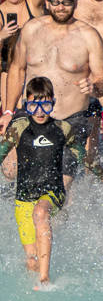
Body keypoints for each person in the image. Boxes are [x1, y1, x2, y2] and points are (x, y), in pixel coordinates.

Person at [6, 0, 103, 167]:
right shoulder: (31, 30)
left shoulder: (89, 36)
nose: (60, 7)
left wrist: (94, 86)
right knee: (10, 168)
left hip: (70, 119)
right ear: (47, 2)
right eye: (55, 2)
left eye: (66, 3)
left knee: (61, 183)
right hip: (31, 115)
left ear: (75, 3)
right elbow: (17, 69)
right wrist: (8, 110)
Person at [4, 77, 74, 288]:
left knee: (41, 213)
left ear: (53, 102)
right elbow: (2, 151)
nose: (40, 111)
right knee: (32, 261)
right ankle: (37, 284)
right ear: (26, 104)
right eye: (34, 105)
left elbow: (81, 153)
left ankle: (45, 278)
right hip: (24, 197)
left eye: (45, 105)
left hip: (53, 192)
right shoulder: (19, 127)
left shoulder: (62, 128)